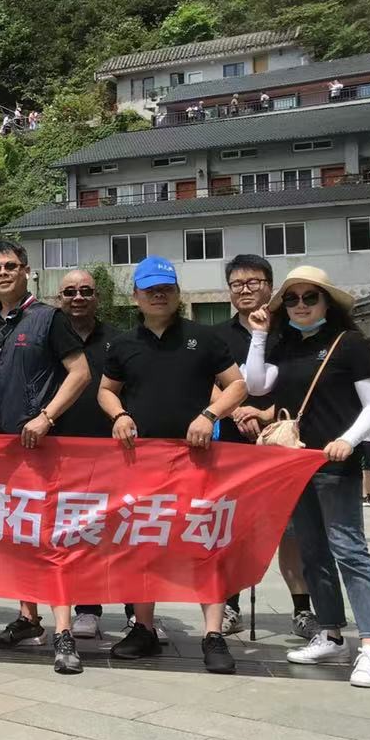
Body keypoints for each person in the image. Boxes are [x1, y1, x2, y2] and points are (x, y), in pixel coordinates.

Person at [98, 255, 247, 674]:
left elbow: (237, 385)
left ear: (179, 294)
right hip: (141, 461)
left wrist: (209, 415)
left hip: (197, 459)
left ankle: (213, 635)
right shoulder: (123, 344)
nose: (159, 295)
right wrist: (119, 415)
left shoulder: (204, 338)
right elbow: (106, 391)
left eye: (166, 289)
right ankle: (143, 628)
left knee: (204, 544)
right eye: (150, 290)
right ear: (136, 296)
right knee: (143, 544)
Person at [243, 266, 370, 687]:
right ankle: (330, 634)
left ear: (327, 302)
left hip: (335, 464)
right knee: (312, 551)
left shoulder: (348, 344)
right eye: (292, 299)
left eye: (310, 297)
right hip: (296, 464)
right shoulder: (285, 344)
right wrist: (258, 334)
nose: (301, 305)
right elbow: (256, 385)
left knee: (349, 550)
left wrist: (347, 440)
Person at [0, 240, 91, 670]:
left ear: (26, 270)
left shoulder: (49, 318)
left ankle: (64, 633)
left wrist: (46, 417)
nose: (3, 273)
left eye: (10, 266)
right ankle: (28, 618)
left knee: (50, 539)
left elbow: (80, 373)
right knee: (14, 536)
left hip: (39, 449)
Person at [215, 254, 318, 639]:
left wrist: (262, 412)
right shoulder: (218, 336)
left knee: (290, 529)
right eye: (237, 284)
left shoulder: (289, 332)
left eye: (253, 282)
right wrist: (235, 411)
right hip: (232, 446)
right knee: (233, 527)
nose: (245, 290)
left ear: (269, 287)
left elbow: (301, 387)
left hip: (282, 444)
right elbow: (207, 382)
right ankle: (229, 605)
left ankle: (302, 609)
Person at [47, 268, 116, 641]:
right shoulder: (48, 337)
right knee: (60, 533)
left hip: (106, 450)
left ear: (97, 297)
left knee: (100, 532)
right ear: (59, 298)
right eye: (70, 291)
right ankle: (60, 607)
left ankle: (92, 608)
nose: (78, 297)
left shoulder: (117, 340)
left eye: (86, 291)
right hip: (56, 448)